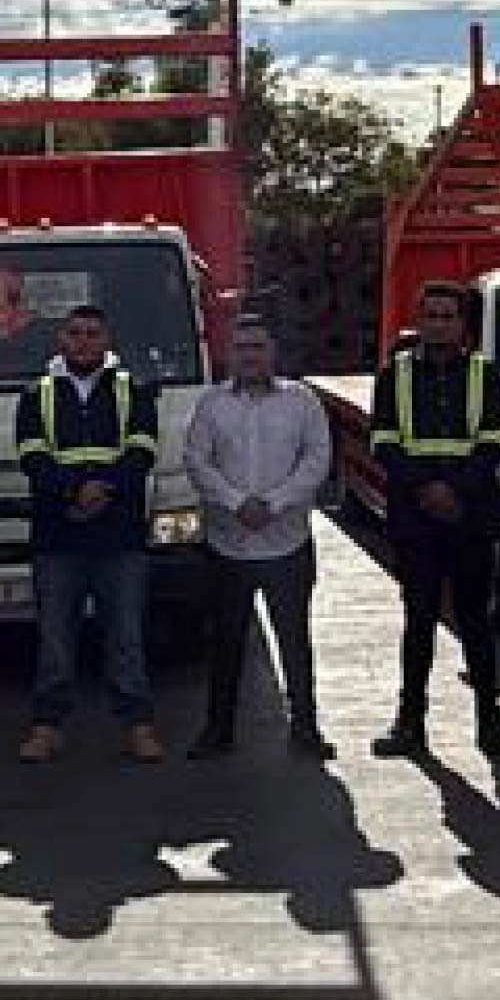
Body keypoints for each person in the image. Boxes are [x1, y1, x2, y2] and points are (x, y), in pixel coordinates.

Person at [368, 280, 500, 765]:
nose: (439, 324)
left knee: (476, 623)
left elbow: (493, 441)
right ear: (418, 320)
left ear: (463, 324)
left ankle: (490, 724)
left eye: (447, 316)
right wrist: (427, 491)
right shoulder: (393, 374)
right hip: (416, 519)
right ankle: (409, 722)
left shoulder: (485, 375)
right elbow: (385, 442)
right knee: (418, 622)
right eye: (430, 315)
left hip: (470, 516)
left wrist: (454, 491)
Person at [15, 302, 161, 763]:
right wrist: (76, 492)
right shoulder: (36, 395)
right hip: (58, 539)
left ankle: (137, 726)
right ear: (62, 339)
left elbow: (143, 452)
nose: (83, 341)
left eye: (92, 333)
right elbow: (32, 457)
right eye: (75, 333)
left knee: (126, 638)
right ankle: (47, 727)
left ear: (107, 339)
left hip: (119, 538)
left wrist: (104, 490)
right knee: (55, 641)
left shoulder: (132, 390)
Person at [184, 306, 332, 757]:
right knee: (225, 645)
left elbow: (317, 459)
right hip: (228, 545)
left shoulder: (302, 402)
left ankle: (306, 730)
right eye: (241, 347)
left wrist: (275, 503)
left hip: (287, 542)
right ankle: (218, 732)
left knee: (294, 641)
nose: (249, 356)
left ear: (274, 352)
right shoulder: (212, 404)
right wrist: (235, 503)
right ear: (229, 353)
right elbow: (196, 460)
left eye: (258, 347)